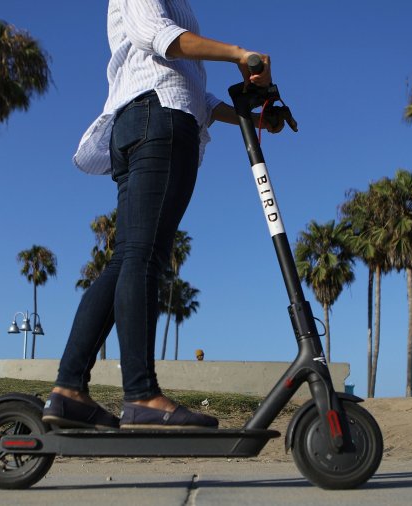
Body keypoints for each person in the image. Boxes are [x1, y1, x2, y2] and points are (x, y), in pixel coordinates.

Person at [42, 0, 284, 430]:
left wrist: (253, 118)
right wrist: (237, 53)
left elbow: (195, 92)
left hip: (147, 119)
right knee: (143, 256)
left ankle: (69, 391)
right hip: (158, 120)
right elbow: (160, 37)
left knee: (127, 258)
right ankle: (140, 395)